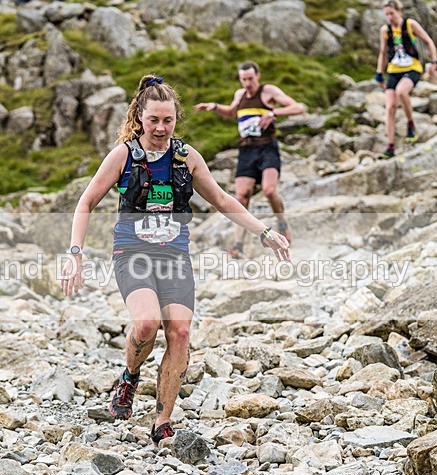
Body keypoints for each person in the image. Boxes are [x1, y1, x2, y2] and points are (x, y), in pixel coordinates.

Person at [61, 75, 291, 444]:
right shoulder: (123, 155)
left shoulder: (187, 157)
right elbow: (85, 202)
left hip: (175, 257)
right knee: (147, 325)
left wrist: (264, 232)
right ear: (139, 117)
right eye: (153, 120)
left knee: (180, 333)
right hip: (132, 253)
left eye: (168, 120)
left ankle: (162, 421)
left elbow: (224, 201)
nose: (160, 128)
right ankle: (130, 377)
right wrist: (76, 253)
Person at [194, 61, 306, 258]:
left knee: (269, 190)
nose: (247, 84)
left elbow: (298, 107)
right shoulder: (239, 95)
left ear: (258, 76)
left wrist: (273, 112)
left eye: (250, 79)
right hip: (246, 149)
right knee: (242, 196)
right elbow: (231, 112)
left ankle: (282, 222)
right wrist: (214, 107)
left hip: (267, 147)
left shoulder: (267, 91)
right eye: (243, 79)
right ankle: (238, 245)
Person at [375, 0, 437, 159]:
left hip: (412, 68)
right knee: (390, 107)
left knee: (402, 92)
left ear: (399, 12)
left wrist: (434, 61)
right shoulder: (385, 30)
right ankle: (390, 146)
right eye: (387, 14)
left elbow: (428, 41)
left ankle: (411, 123)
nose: (389, 17)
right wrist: (379, 73)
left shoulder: (410, 25)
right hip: (393, 71)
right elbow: (383, 52)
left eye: (392, 13)